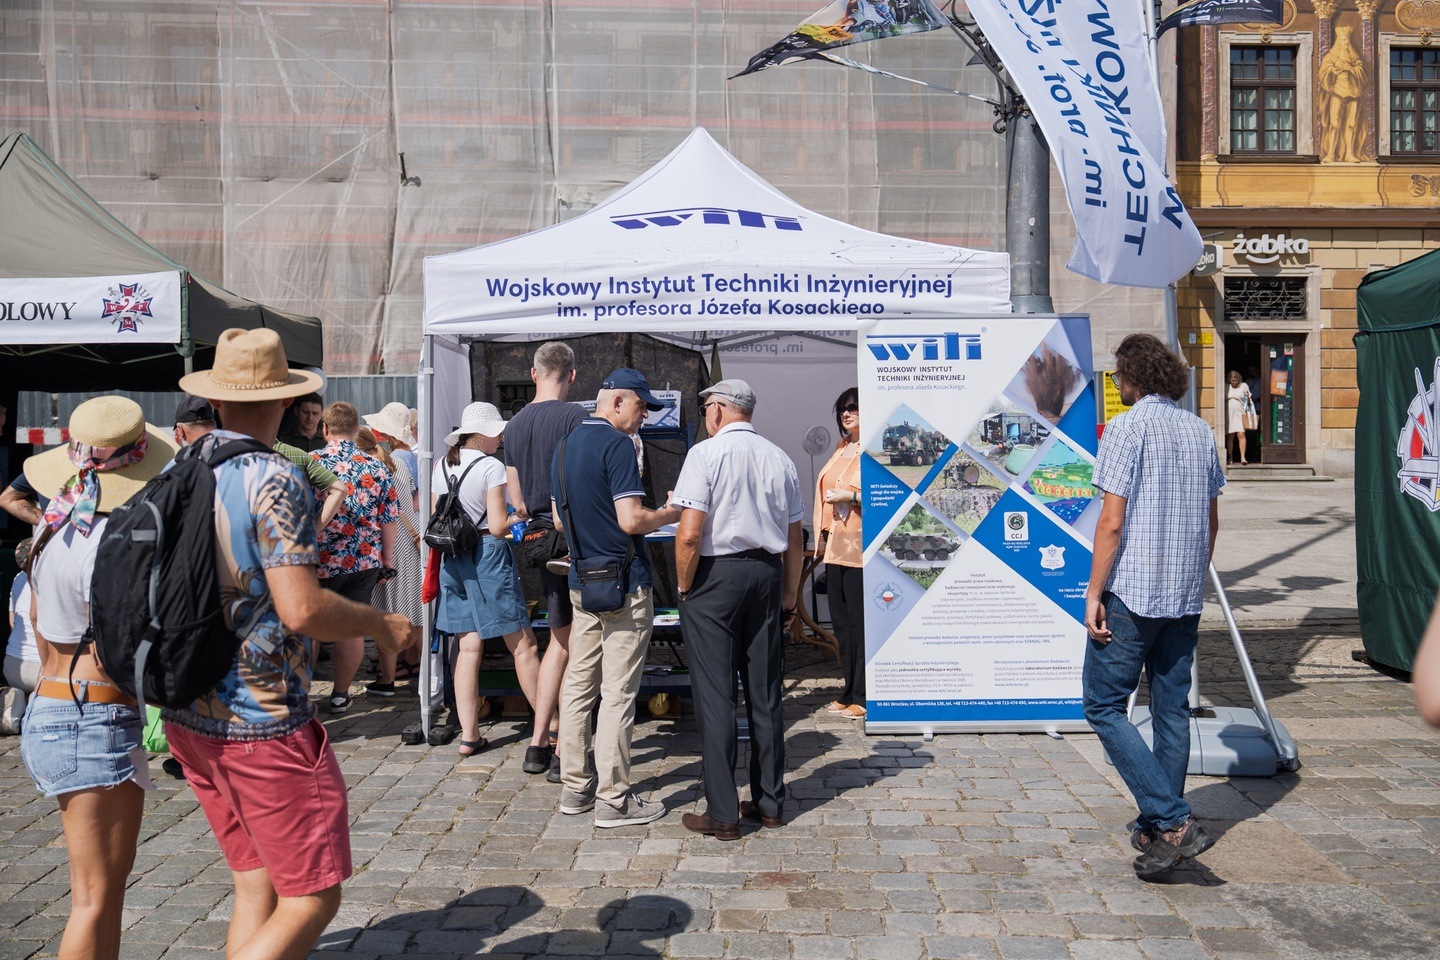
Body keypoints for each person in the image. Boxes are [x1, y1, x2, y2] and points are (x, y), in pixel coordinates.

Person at [166, 328, 418, 960]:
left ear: (214, 401)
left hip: (188, 709)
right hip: (260, 718)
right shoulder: (273, 477)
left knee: (255, 882)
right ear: (285, 401)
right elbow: (302, 607)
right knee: (311, 898)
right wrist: (379, 624)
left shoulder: (181, 467)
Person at [19, 395, 177, 960]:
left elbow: (37, 621)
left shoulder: (53, 530)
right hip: (94, 715)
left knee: (101, 895)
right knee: (94, 898)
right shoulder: (113, 541)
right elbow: (127, 640)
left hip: (54, 702)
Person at [1084, 333, 1225, 880]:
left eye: (1118, 376)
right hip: (1183, 595)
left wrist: (1093, 593)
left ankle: (1172, 820)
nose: (1117, 384)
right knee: (1170, 712)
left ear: (1132, 378)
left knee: (1102, 706)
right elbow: (1211, 521)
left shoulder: (1126, 428)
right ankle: (1160, 829)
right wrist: (1192, 575)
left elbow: (1111, 522)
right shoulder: (1199, 430)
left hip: (1133, 592)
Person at [672, 380, 804, 840]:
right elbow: (795, 539)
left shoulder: (705, 454)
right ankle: (769, 804)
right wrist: (790, 595)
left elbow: (690, 533)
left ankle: (723, 813)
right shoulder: (780, 457)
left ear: (718, 410)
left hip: (716, 576)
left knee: (717, 697)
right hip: (766, 574)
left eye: (707, 407)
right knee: (765, 693)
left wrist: (684, 586)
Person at [550, 368, 681, 828]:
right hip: (624, 582)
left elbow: (560, 521)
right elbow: (630, 519)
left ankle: (574, 788)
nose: (645, 416)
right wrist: (670, 512)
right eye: (642, 406)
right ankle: (614, 799)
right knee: (618, 693)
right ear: (618, 402)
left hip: (582, 581)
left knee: (578, 685)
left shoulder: (565, 445)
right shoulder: (619, 445)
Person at [432, 402, 540, 757]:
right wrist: (520, 516)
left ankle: (469, 736)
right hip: (486, 553)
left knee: (467, 648)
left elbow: (436, 516)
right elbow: (496, 526)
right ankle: (551, 727)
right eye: (497, 433)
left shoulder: (442, 464)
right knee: (523, 646)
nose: (501, 438)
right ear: (483, 434)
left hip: (452, 556)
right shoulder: (491, 466)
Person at [503, 341, 586, 778]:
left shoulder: (514, 424)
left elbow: (516, 501)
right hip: (572, 540)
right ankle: (562, 750)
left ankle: (538, 742)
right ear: (571, 375)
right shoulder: (576, 417)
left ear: (534, 374)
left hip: (536, 541)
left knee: (560, 640)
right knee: (576, 645)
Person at [312, 401, 400, 714]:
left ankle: (300, 695)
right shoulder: (377, 467)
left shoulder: (312, 462)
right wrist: (386, 559)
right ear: (355, 430)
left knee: (311, 628)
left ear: (325, 429)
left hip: (321, 559)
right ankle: (339, 695)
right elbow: (389, 519)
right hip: (364, 560)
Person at [174, 394, 347, 539]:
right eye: (306, 412)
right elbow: (339, 489)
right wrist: (312, 532)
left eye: (315, 413)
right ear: (286, 406)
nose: (310, 417)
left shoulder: (215, 459)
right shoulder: (295, 455)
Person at [355, 426, 422, 697]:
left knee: (386, 614)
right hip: (412, 540)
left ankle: (387, 679)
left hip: (389, 545)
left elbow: (378, 515)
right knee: (414, 612)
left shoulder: (371, 469)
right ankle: (425, 671)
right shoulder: (398, 464)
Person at [814, 387, 866, 719]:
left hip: (860, 546)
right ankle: (849, 689)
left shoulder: (876, 448)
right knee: (842, 625)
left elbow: (887, 494)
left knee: (859, 624)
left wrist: (851, 497)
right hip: (835, 544)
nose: (846, 413)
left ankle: (864, 693)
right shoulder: (841, 447)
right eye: (842, 409)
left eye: (854, 407)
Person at [2, 536, 38, 734]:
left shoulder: (18, 579)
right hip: (41, 669)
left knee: (24, 686)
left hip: (12, 665)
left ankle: (17, 701)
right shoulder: (50, 579)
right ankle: (35, 703)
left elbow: (12, 622)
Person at [1224, 370, 1251, 466]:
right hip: (1229, 412)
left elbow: (1248, 399)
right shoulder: (1225, 386)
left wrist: (1248, 411)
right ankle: (1230, 457)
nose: (1233, 382)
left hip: (1240, 412)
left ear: (1239, 379)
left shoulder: (1244, 386)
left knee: (1241, 434)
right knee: (1230, 435)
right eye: (1232, 380)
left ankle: (1243, 457)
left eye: (1235, 380)